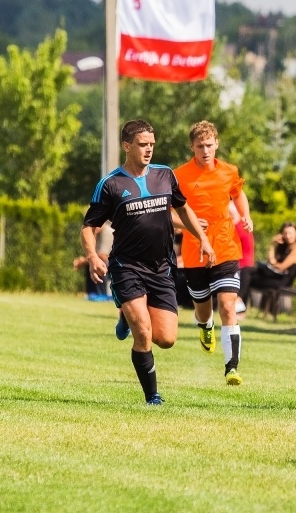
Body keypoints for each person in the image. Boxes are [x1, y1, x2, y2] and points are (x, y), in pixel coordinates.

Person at [81, 119, 215, 405]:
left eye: (152, 145)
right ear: (126, 146)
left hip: (162, 268)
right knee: (143, 332)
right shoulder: (110, 184)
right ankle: (152, 396)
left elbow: (183, 208)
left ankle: (125, 314)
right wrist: (92, 256)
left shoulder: (165, 175)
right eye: (143, 145)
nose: (149, 150)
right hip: (127, 267)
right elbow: (88, 227)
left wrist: (202, 238)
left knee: (165, 339)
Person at [174, 120, 253, 386]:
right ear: (192, 147)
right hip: (194, 252)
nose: (205, 150)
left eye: (209, 145)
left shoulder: (229, 171)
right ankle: (205, 327)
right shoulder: (179, 176)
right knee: (204, 310)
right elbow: (167, 211)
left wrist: (246, 215)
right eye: (200, 146)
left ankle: (232, 368)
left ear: (216, 143)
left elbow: (238, 193)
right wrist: (189, 223)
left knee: (228, 306)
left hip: (226, 248)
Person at [238, 221, 296, 311]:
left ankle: (239, 305)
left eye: (290, 233)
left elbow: (281, 267)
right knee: (246, 271)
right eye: (285, 233)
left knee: (247, 277)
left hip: (283, 281)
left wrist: (274, 264)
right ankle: (239, 305)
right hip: (276, 276)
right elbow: (271, 262)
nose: (288, 236)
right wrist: (273, 244)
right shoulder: (285, 247)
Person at [73, 221, 114, 301]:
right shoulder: (97, 233)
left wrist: (83, 261)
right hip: (108, 262)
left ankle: (102, 294)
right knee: (91, 263)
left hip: (115, 262)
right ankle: (92, 294)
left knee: (100, 264)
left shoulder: (107, 233)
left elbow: (103, 256)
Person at [230, 201, 254, 316]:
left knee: (245, 274)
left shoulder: (242, 227)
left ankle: (239, 304)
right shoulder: (229, 226)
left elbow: (248, 252)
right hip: (233, 261)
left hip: (243, 262)